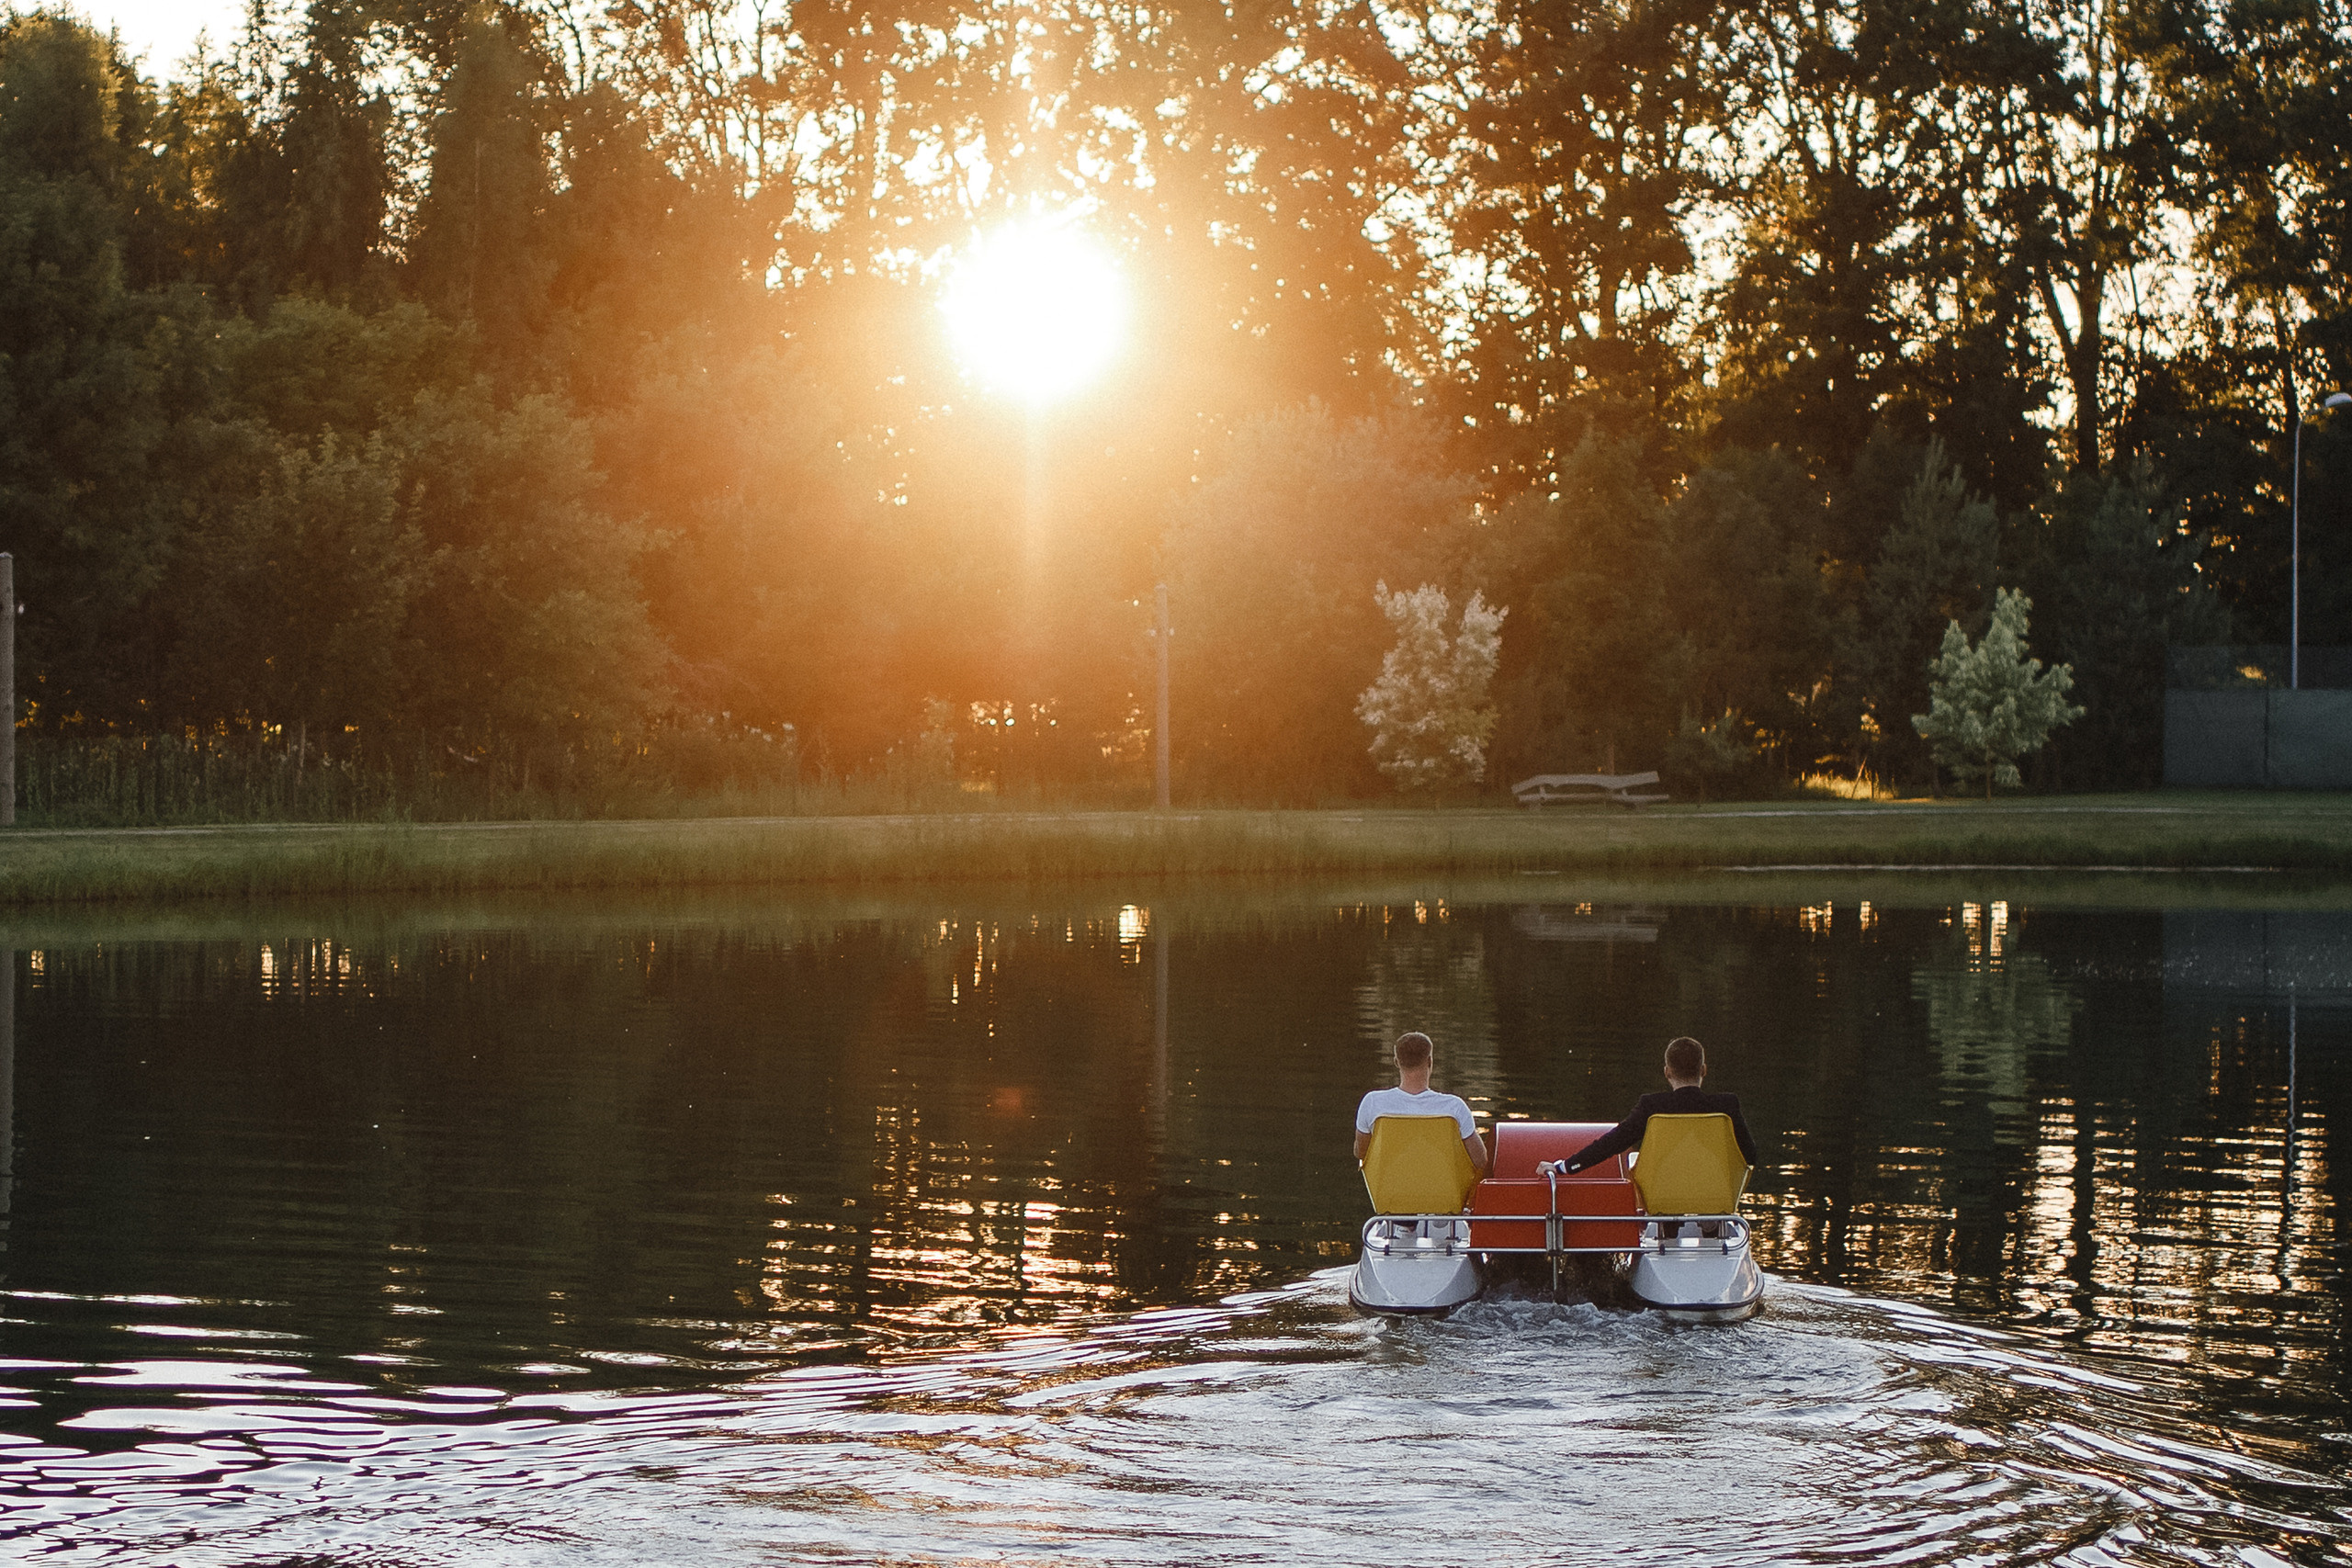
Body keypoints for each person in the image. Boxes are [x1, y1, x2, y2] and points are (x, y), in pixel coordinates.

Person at [1555, 1035, 1758, 1176]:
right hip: (1713, 1192)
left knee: (1638, 1160)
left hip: (1664, 1193)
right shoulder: (1727, 1106)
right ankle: (1711, 1216)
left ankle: (1666, 1220)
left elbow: (1613, 1143)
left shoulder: (1652, 1107)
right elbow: (1750, 1156)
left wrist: (1565, 1167)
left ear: (1667, 1072)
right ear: (1703, 1070)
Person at [1353, 1031, 1491, 1176]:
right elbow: (1481, 1160)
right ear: (1430, 1061)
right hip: (1442, 1187)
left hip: (1390, 1188)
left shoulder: (1373, 1103)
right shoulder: (1454, 1107)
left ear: (1396, 1062)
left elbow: (1361, 1153)